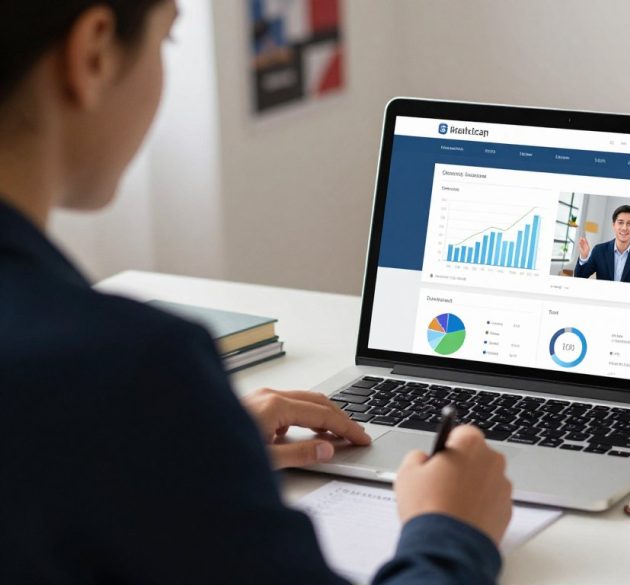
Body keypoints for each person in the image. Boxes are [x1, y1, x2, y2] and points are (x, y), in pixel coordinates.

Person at [0, 2, 512, 584]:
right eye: (167, 41)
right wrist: (453, 530)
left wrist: (188, 451)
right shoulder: (127, 370)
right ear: (91, 53)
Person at [573, 204, 630, 285]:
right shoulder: (599, 250)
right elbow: (579, 278)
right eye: (620, 222)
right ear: (614, 225)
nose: (624, 228)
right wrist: (583, 257)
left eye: (629, 224)